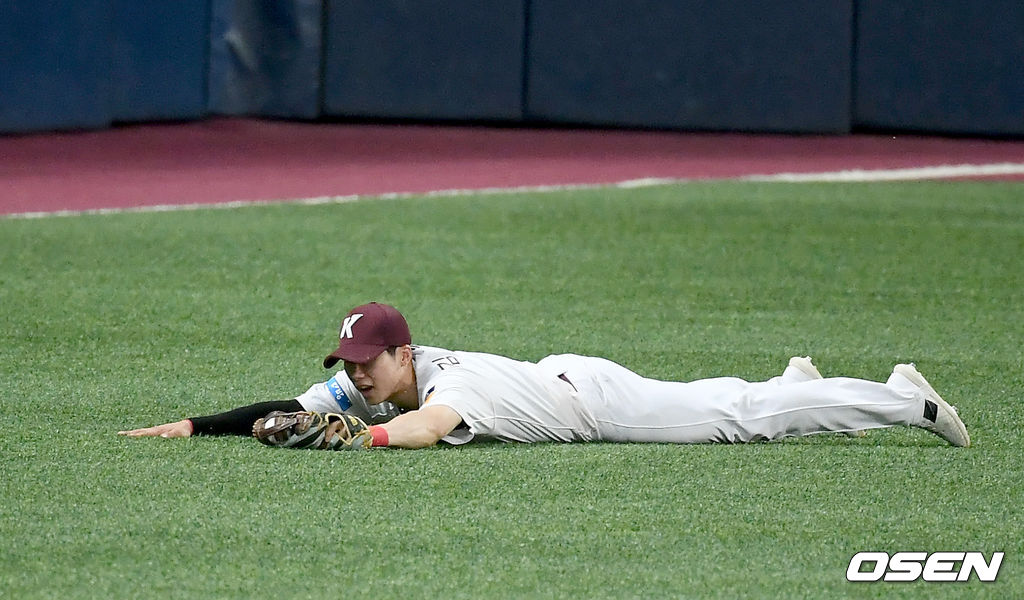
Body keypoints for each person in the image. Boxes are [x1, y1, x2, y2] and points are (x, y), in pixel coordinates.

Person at [120, 302, 970, 449]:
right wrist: (199, 424)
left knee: (739, 421)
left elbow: (420, 430)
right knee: (733, 404)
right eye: (348, 366)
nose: (354, 378)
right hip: (566, 379)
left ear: (403, 353)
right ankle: (795, 377)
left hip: (594, 403)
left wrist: (364, 439)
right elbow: (291, 404)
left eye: (365, 363)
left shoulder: (442, 387)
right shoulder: (384, 377)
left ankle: (903, 396)